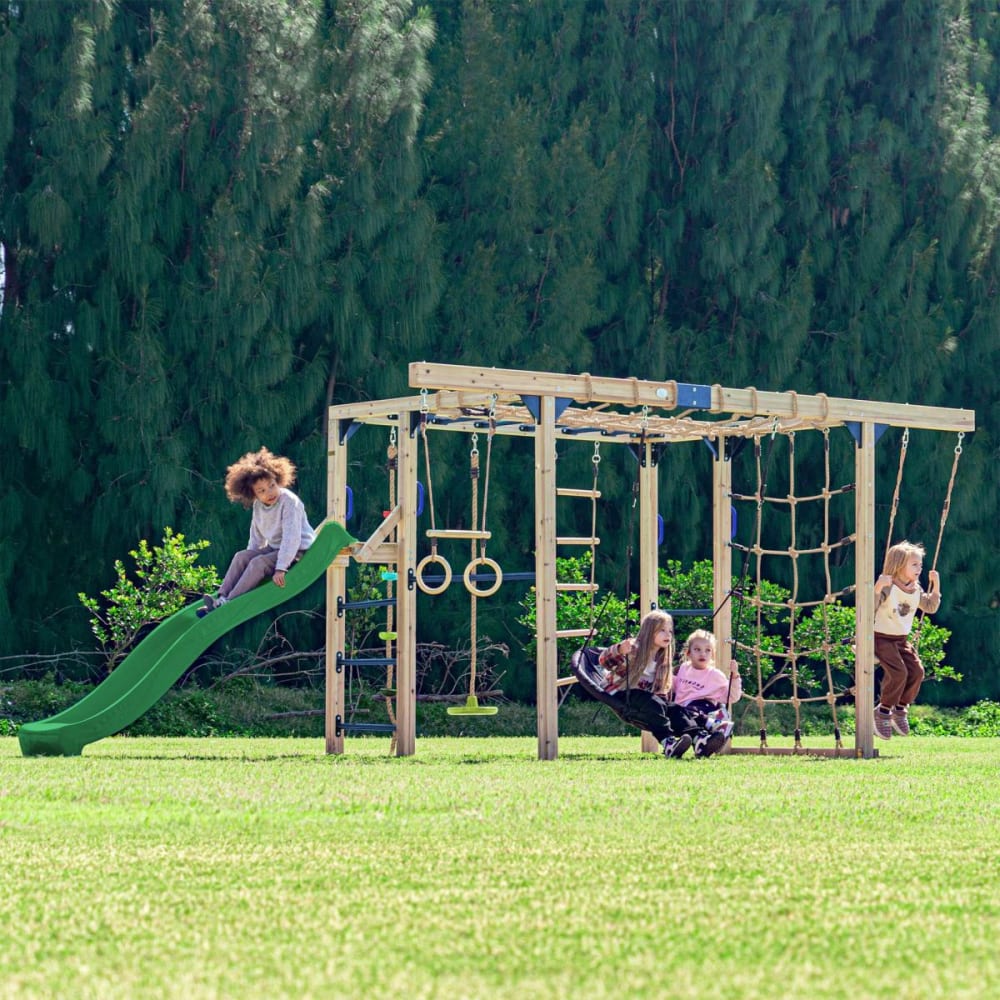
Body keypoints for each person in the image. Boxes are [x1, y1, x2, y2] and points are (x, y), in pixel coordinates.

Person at [198, 447, 316, 616]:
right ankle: (220, 598)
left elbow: (291, 538)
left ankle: (229, 603)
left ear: (278, 480)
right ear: (253, 494)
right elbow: (256, 535)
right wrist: (251, 553)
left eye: (272, 486)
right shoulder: (259, 506)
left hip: (297, 550)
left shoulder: (289, 502)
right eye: (261, 491)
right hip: (276, 548)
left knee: (258, 563)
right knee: (241, 556)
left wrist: (281, 568)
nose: (269, 493)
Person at [570, 610, 682, 757]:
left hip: (644, 699)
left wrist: (667, 707)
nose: (668, 635)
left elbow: (661, 689)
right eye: (662, 630)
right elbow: (604, 661)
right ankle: (668, 742)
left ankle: (699, 737)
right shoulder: (634, 647)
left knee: (674, 709)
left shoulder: (663, 658)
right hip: (622, 693)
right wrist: (620, 649)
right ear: (649, 631)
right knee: (652, 702)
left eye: (670, 631)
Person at [872, 540, 940, 739]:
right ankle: (883, 711)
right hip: (881, 638)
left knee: (917, 671)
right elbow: (869, 607)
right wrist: (877, 588)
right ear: (899, 565)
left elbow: (930, 606)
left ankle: (900, 709)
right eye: (914, 564)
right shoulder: (888, 586)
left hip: (900, 640)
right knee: (899, 672)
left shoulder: (916, 589)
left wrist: (935, 585)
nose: (919, 568)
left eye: (920, 564)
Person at [661, 629, 742, 759]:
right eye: (697, 649)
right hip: (683, 713)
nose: (702, 653)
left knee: (690, 710)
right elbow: (671, 685)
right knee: (676, 710)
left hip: (704, 708)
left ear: (713, 655)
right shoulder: (683, 669)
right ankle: (703, 745)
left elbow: (733, 696)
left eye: (708, 650)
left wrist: (735, 676)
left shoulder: (715, 675)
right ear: (688, 653)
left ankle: (711, 729)